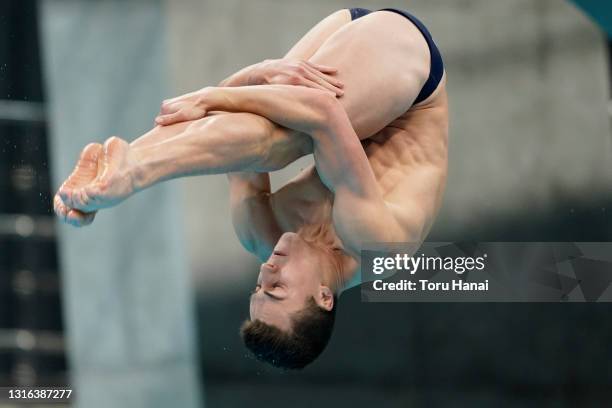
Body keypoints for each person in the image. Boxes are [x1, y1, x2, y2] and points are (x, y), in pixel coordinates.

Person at [53, 8, 448, 369]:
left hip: (343, 43)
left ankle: (117, 166)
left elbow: (227, 124)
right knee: (281, 142)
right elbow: (322, 115)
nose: (267, 269)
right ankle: (133, 172)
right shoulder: (375, 244)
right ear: (325, 297)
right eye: (276, 288)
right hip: (407, 65)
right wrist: (216, 93)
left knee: (262, 145)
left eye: (258, 285)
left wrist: (257, 75)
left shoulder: (260, 233)